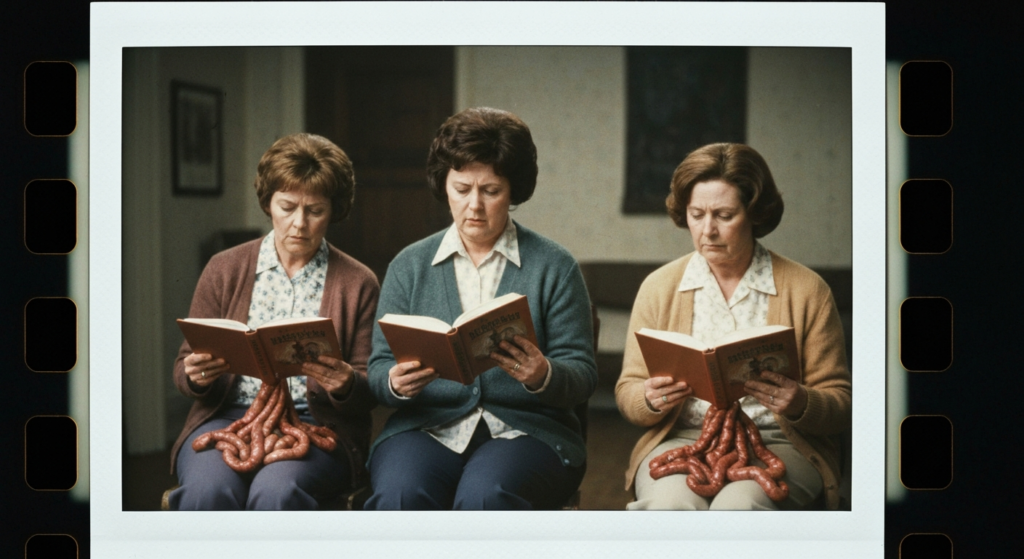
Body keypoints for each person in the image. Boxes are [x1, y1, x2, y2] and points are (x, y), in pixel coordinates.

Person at [364, 107, 597, 510]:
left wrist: (543, 374)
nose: (474, 205)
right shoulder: (409, 265)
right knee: (398, 493)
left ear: (514, 191)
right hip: (426, 427)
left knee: (486, 496)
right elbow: (379, 369)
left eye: (490, 190)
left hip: (528, 431)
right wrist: (395, 384)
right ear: (444, 185)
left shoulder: (555, 266)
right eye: (461, 188)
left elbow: (582, 374)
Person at [615, 143, 851, 510]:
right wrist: (648, 398)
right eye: (696, 214)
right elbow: (628, 389)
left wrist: (800, 402)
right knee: (667, 510)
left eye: (724, 215)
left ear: (755, 214)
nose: (707, 230)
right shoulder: (658, 287)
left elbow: (840, 401)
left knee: (738, 511)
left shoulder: (807, 290)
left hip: (780, 442)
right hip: (682, 438)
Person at [167, 133, 380, 510]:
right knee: (206, 492)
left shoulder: (357, 281)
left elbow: (368, 389)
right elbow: (184, 369)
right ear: (268, 203)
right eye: (287, 207)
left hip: (317, 426)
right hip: (226, 419)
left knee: (277, 492)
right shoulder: (224, 268)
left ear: (335, 210)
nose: (299, 223)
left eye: (315, 211)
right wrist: (195, 374)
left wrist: (347, 383)